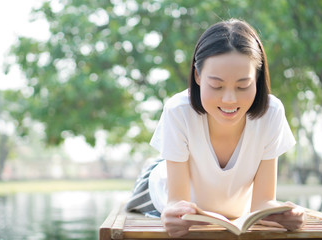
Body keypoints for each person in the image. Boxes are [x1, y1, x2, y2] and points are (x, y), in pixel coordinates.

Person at [126, 18, 306, 237]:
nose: (229, 99)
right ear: (198, 76)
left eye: (243, 86)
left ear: (257, 80)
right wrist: (172, 214)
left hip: (226, 202)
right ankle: (155, 164)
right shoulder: (178, 111)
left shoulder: (271, 113)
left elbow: (263, 202)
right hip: (160, 186)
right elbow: (177, 202)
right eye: (216, 85)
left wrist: (287, 215)